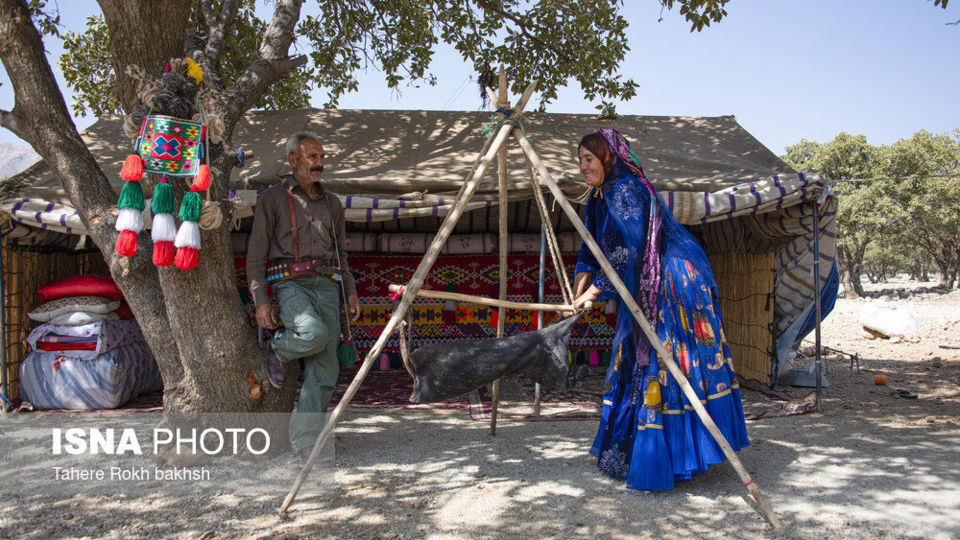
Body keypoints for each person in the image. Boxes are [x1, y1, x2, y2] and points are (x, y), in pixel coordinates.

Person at [570, 128, 750, 491]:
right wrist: (578, 290)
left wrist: (597, 291)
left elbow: (632, 250)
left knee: (665, 359)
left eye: (588, 160)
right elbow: (591, 250)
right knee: (638, 360)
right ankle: (639, 449)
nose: (582, 168)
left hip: (671, 279)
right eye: (580, 162)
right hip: (640, 280)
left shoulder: (628, 191)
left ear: (607, 156)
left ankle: (677, 455)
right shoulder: (599, 198)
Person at [246, 131, 360, 458]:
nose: (319, 163)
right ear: (293, 160)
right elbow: (255, 255)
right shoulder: (271, 199)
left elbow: (340, 254)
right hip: (289, 283)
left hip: (327, 285)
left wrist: (349, 291)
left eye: (322, 157)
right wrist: (261, 300)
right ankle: (278, 350)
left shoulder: (332, 203)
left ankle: (305, 439)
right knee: (312, 333)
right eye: (312, 157)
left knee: (326, 369)